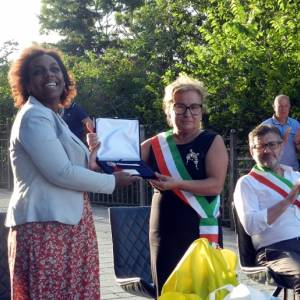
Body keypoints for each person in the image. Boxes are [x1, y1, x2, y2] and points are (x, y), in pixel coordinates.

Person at [5, 45, 137, 299]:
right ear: (26, 83)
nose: (49, 75)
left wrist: (93, 153)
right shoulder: (34, 117)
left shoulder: (52, 117)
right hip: (46, 227)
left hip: (69, 225)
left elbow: (72, 170)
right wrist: (111, 182)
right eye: (39, 71)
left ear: (65, 79)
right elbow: (61, 173)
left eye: (55, 69)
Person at [141, 75, 228, 297]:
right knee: (169, 288)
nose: (188, 113)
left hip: (200, 229)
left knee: (205, 290)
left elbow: (215, 186)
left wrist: (178, 183)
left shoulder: (212, 141)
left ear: (201, 110)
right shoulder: (154, 145)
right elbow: (121, 166)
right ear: (169, 109)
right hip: (165, 230)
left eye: (194, 107)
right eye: (180, 106)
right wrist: (98, 148)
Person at [234, 124, 300, 298]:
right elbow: (251, 225)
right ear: (251, 150)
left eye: (272, 145)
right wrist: (287, 201)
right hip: (276, 251)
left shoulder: (296, 177)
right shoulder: (247, 183)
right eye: (260, 146)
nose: (267, 150)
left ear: (282, 146)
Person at [261, 94, 300, 170]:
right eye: (280, 106)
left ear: (289, 107)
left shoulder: (296, 125)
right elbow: (259, 150)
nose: (283, 109)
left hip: (293, 170)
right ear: (274, 107)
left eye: (286, 106)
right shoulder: (265, 126)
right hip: (272, 171)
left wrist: (298, 143)